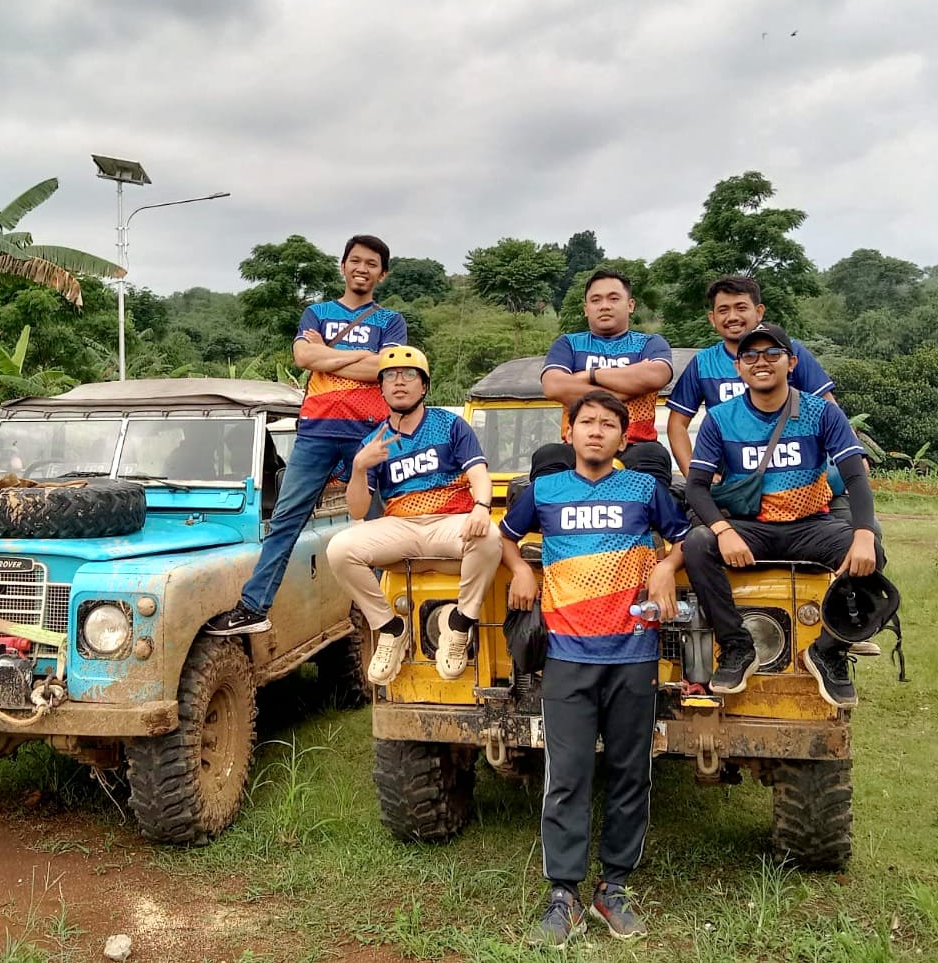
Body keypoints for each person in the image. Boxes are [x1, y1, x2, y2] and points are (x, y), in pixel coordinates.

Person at [501, 390, 689, 947]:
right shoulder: (543, 491)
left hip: (634, 653)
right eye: (587, 422)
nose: (597, 431)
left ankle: (614, 888)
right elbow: (505, 538)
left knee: (631, 772)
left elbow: (685, 538)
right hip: (567, 655)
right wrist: (520, 571)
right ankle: (564, 895)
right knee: (568, 775)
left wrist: (666, 568)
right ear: (569, 431)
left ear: (623, 438)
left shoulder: (645, 489)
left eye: (609, 424)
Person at [205, 235, 407, 636]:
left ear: (382, 274)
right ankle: (253, 607)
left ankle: (391, 613)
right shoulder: (317, 313)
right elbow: (303, 357)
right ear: (343, 266)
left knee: (383, 521)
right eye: (355, 261)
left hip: (370, 433)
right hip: (316, 431)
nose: (362, 269)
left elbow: (385, 369)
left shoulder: (390, 320)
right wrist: (359, 357)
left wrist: (327, 356)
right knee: (285, 520)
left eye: (371, 264)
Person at [682, 323, 881, 707]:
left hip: (810, 525)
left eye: (772, 353)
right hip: (752, 527)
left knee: (871, 546)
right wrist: (724, 530)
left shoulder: (822, 412)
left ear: (791, 363)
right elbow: (696, 487)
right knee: (698, 542)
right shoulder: (720, 418)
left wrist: (862, 534)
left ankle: (828, 649)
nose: (762, 361)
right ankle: (737, 646)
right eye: (751, 355)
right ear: (739, 367)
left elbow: (856, 476)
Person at [325, 346, 501, 683]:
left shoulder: (450, 425)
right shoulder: (374, 441)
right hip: (401, 524)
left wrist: (481, 506)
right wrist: (359, 467)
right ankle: (390, 628)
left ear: (424, 386)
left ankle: (459, 624)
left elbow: (479, 473)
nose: (399, 382)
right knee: (339, 549)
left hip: (449, 520)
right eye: (390, 376)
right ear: (381, 388)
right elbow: (358, 510)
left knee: (490, 536)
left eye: (409, 375)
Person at [665, 275, 838, 475]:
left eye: (741, 308)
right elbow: (677, 424)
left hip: (794, 470)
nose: (732, 317)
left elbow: (829, 410)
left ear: (759, 312)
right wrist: (696, 479)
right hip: (733, 478)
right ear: (712, 318)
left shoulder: (789, 352)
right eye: (723, 310)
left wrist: (852, 459)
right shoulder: (703, 363)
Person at [534, 269, 674, 489]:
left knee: (655, 457)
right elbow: (553, 386)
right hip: (577, 445)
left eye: (614, 298)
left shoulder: (650, 343)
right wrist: (629, 386)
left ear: (630, 305)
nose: (604, 306)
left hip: (637, 445)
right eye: (596, 300)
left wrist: (590, 375)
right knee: (547, 456)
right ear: (586, 308)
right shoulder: (568, 344)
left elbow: (656, 376)